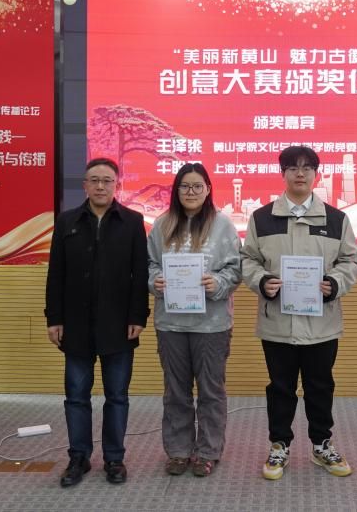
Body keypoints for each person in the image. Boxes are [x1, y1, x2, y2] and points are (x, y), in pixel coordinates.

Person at [241, 145, 357, 481]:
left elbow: (351, 261)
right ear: (282, 173)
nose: (300, 173)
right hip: (277, 323)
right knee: (280, 388)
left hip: (322, 324)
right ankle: (279, 444)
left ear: (315, 174)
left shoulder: (336, 219)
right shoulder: (262, 218)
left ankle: (322, 444)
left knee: (320, 386)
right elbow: (248, 259)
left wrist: (334, 283)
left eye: (307, 167)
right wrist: (261, 281)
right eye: (292, 167)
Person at [44, 157, 149, 487]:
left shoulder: (132, 221)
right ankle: (79, 457)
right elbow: (56, 273)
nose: (101, 186)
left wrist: (138, 316)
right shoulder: (67, 221)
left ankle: (114, 458)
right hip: (75, 324)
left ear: (117, 185)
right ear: (85, 185)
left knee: (117, 395)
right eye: (95, 180)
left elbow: (140, 274)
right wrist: (54, 318)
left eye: (107, 180)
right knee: (76, 395)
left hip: (118, 324)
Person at [147, 163, 241, 478]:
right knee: (176, 391)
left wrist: (219, 282)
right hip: (171, 323)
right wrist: (155, 280)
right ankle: (178, 451)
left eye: (197, 186)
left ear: (208, 189)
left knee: (211, 391)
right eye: (185, 186)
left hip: (211, 324)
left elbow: (236, 268)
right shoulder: (162, 224)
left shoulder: (223, 225)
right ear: (176, 190)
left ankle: (208, 452)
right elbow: (148, 264)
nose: (191, 192)